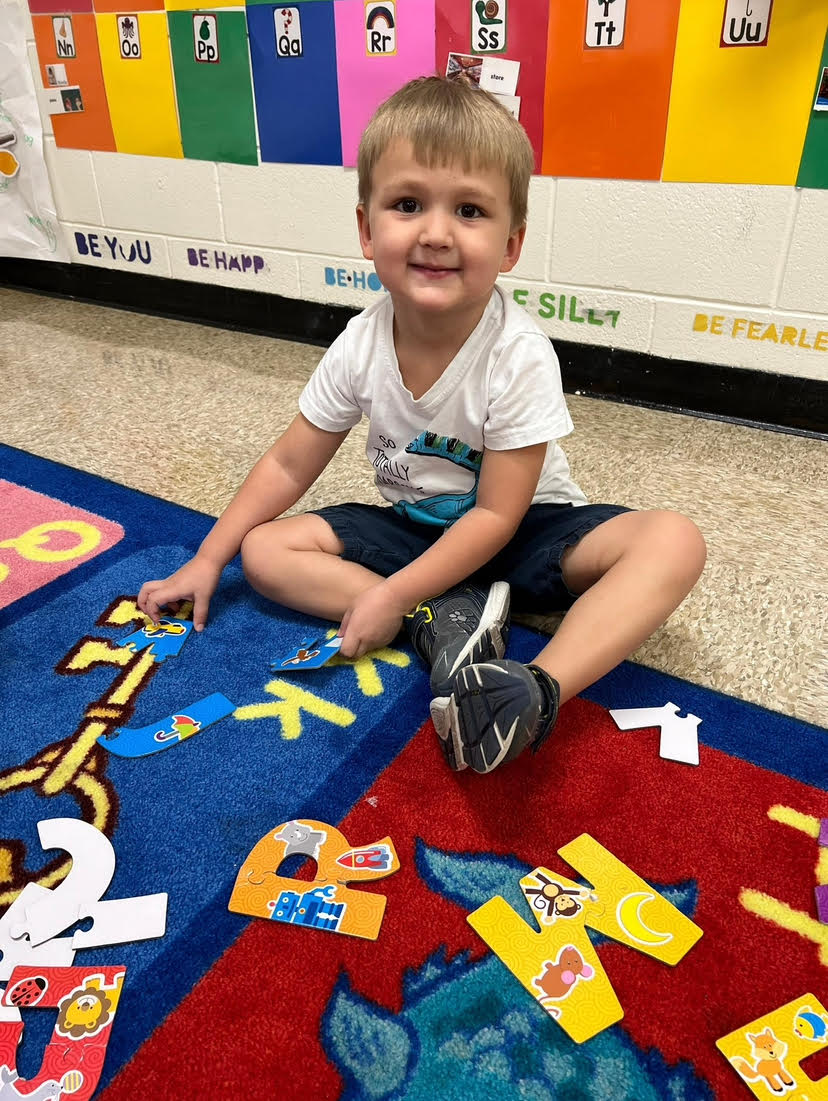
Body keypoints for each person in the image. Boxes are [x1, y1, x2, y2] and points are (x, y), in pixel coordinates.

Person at [138, 76, 706, 775]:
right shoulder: (360, 342)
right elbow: (289, 463)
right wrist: (208, 557)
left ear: (511, 245)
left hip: (524, 529)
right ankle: (442, 615)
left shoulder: (518, 353)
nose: (436, 232)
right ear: (366, 229)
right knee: (263, 552)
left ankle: (534, 688)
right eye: (408, 204)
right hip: (416, 528)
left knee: (674, 540)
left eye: (469, 210)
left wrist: (391, 591)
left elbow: (498, 513)